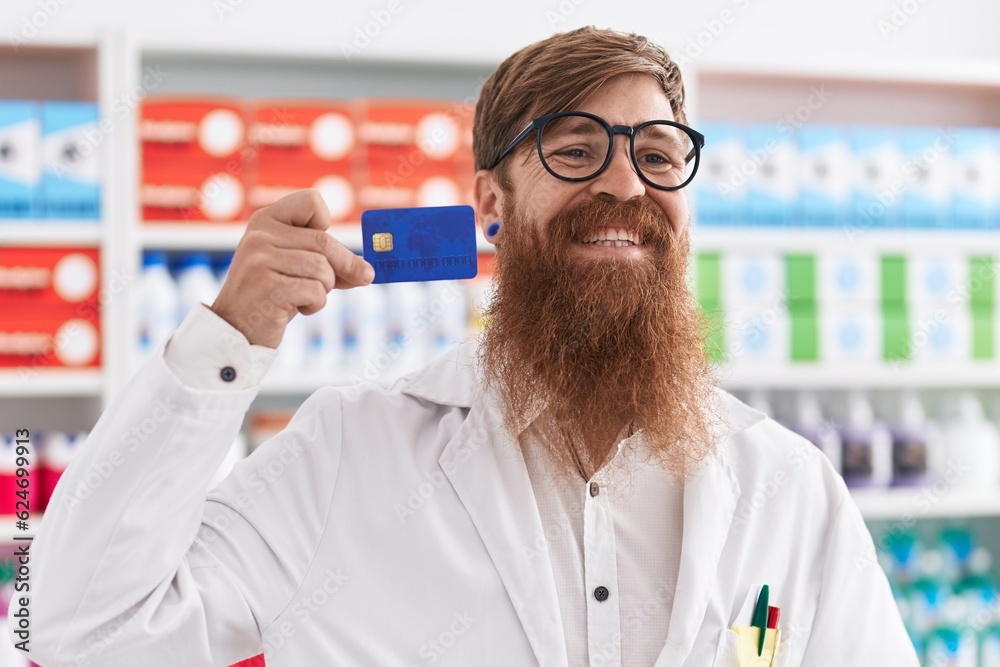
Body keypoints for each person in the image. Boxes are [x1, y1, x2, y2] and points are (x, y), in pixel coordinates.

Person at [17, 27, 918, 667]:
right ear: (489, 204)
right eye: (575, 150)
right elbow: (79, 632)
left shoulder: (787, 489)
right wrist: (225, 343)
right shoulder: (348, 454)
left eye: (656, 151)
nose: (624, 182)